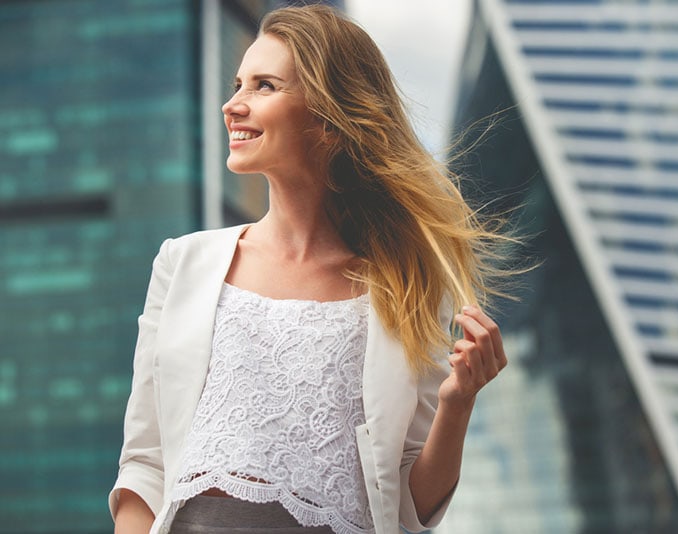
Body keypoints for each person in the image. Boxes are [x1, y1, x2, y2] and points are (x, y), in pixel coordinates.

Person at [109, 4, 510, 534]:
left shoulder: (406, 285)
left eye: (264, 86)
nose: (233, 105)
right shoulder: (181, 264)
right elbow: (145, 464)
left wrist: (457, 406)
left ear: (328, 119)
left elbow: (409, 507)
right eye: (238, 84)